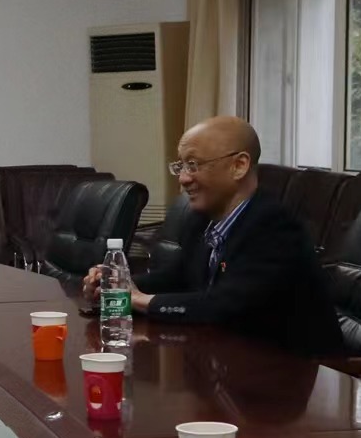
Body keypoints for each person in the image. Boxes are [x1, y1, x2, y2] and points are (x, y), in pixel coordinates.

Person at [82, 116, 342, 356]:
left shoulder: (274, 227)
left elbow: (226, 305)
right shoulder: (202, 220)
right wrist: (116, 284)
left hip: (289, 372)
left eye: (193, 165)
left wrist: (139, 300)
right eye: (181, 166)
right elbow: (177, 278)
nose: (183, 179)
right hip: (227, 362)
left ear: (239, 166)